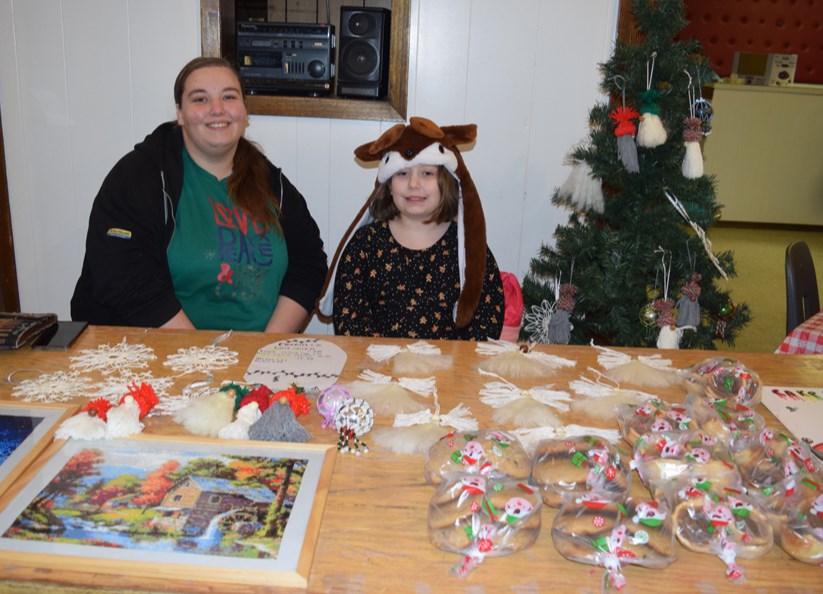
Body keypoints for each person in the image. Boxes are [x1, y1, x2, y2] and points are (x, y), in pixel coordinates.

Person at [71, 57, 327, 332]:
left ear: (244, 112)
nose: (217, 109)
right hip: (163, 353)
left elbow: (309, 261)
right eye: (200, 99)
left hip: (256, 358)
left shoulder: (271, 182)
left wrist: (268, 345)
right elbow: (122, 274)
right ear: (180, 113)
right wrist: (199, 355)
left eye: (229, 96)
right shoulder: (138, 177)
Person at [317, 117, 504, 340]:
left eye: (427, 173)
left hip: (449, 372)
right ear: (388, 184)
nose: (414, 184)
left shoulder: (466, 250)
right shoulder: (364, 246)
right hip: (378, 371)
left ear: (446, 181)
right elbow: (349, 322)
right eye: (403, 173)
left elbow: (486, 321)